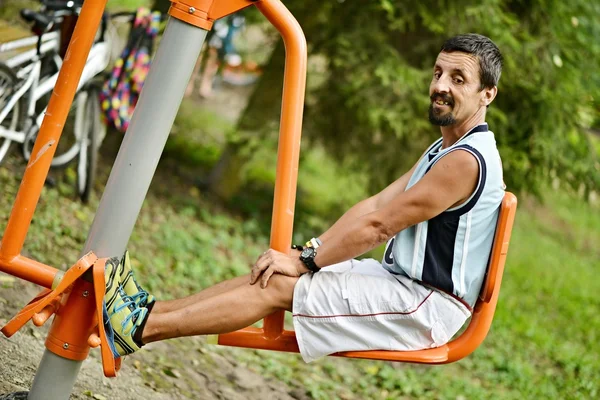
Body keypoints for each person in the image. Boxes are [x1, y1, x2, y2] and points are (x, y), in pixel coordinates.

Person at [103, 33, 505, 363]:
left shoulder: (466, 161)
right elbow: (374, 205)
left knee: (280, 285)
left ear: (487, 94)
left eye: (458, 79)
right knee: (275, 273)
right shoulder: (447, 147)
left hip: (424, 306)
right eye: (438, 72)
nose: (440, 86)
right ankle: (148, 312)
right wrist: (307, 251)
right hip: (403, 284)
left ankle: (138, 328)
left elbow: (380, 225)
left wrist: (305, 261)